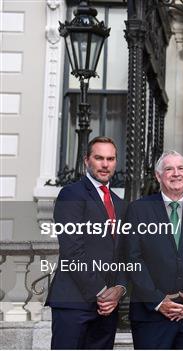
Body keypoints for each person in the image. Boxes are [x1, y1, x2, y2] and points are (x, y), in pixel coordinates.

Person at [125, 150, 183, 349]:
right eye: (169, 169)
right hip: (151, 317)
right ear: (158, 176)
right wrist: (158, 300)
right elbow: (133, 259)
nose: (176, 173)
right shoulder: (138, 210)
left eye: (180, 168)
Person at [46, 136, 127, 349]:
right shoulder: (71, 194)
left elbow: (124, 254)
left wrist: (118, 289)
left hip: (106, 309)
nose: (105, 164)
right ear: (86, 160)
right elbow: (72, 251)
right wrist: (102, 293)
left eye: (110, 158)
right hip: (74, 302)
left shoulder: (120, 204)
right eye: (99, 158)